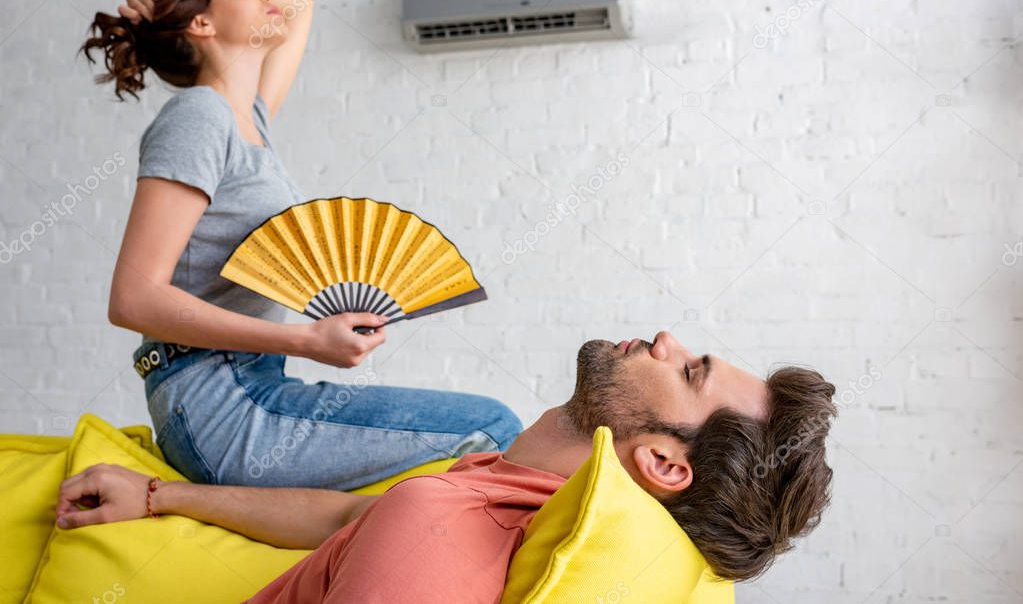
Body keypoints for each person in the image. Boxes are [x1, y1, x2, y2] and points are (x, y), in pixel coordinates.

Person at [76, 0, 523, 491]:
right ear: (202, 23)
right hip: (219, 403)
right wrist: (307, 342)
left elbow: (300, 5)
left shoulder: (249, 119)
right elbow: (133, 298)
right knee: (492, 428)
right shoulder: (198, 117)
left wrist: (184, 2)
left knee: (483, 435)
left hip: (250, 385)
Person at [55, 330, 839, 602]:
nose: (666, 338)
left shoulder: (442, 531)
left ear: (664, 462)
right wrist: (158, 495)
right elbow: (340, 516)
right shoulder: (509, 494)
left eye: (690, 369)